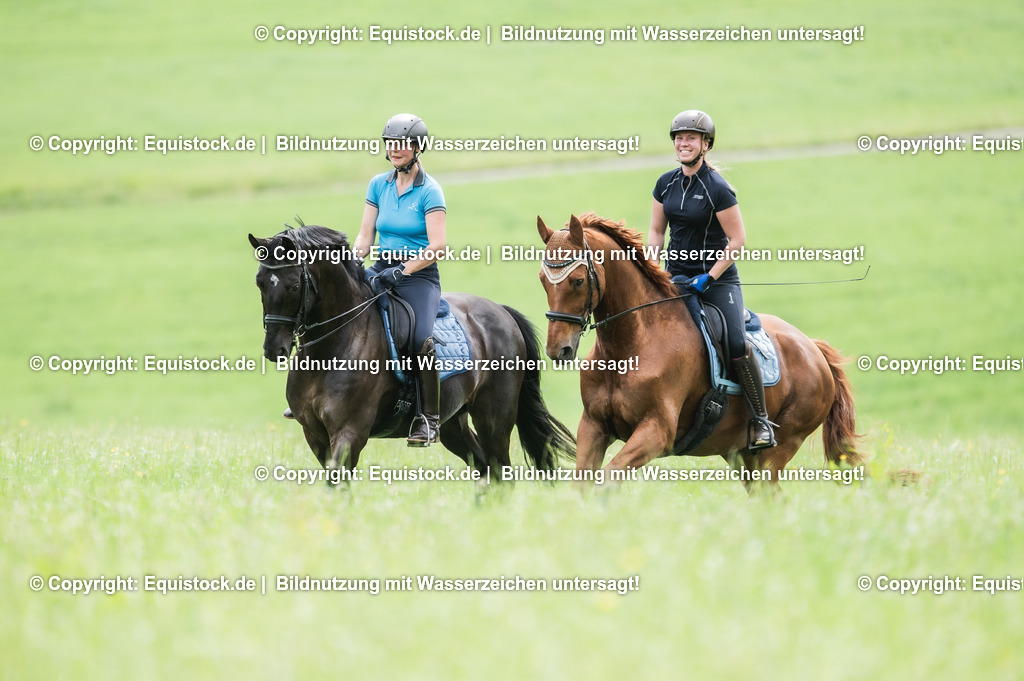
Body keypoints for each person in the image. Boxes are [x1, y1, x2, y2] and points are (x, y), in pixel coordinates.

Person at [647, 110, 776, 449]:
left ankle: (760, 420)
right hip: (674, 277)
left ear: (705, 144)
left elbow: (737, 241)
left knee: (736, 343)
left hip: (716, 282)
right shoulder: (665, 184)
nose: (683, 143)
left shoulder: (718, 188)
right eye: (678, 137)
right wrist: (652, 268)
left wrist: (709, 276)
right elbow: (657, 232)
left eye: (690, 137)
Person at [351, 113, 447, 446]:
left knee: (421, 338)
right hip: (380, 269)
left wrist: (403, 270)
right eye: (390, 144)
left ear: (417, 148)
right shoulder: (378, 184)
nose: (395, 150)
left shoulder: (430, 191)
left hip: (418, 277)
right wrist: (352, 261)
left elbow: (437, 246)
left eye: (402, 144)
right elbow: (365, 236)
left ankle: (428, 419)